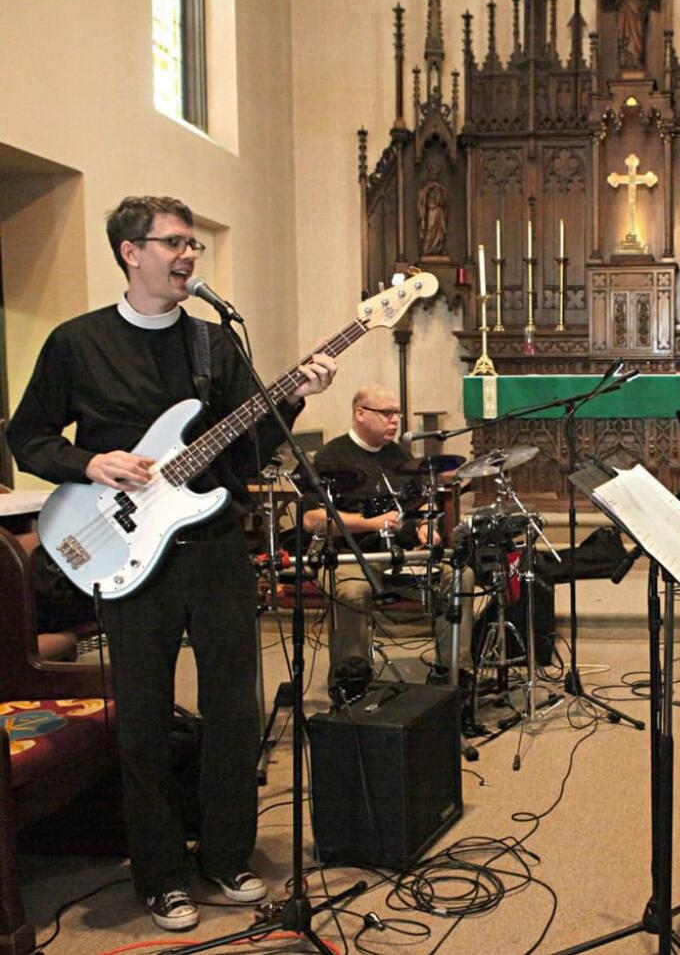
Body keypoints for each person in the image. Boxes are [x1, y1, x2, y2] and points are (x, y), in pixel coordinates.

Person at [6, 195, 338, 931]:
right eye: (174, 243)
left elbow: (250, 451)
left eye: (193, 245)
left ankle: (226, 856)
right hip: (126, 553)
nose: (188, 256)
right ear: (130, 251)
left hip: (214, 545)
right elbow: (28, 437)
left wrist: (299, 401)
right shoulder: (76, 342)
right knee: (145, 721)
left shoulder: (215, 346)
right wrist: (90, 461)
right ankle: (160, 875)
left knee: (233, 712)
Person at [301, 385, 470, 688]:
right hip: (352, 557)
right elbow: (312, 520)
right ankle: (352, 682)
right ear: (360, 413)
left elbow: (421, 501)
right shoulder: (331, 457)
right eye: (387, 413)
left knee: (459, 575)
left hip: (400, 554)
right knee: (352, 593)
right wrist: (370, 522)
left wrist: (423, 524)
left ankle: (452, 673)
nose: (395, 420)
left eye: (397, 413)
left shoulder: (397, 455)